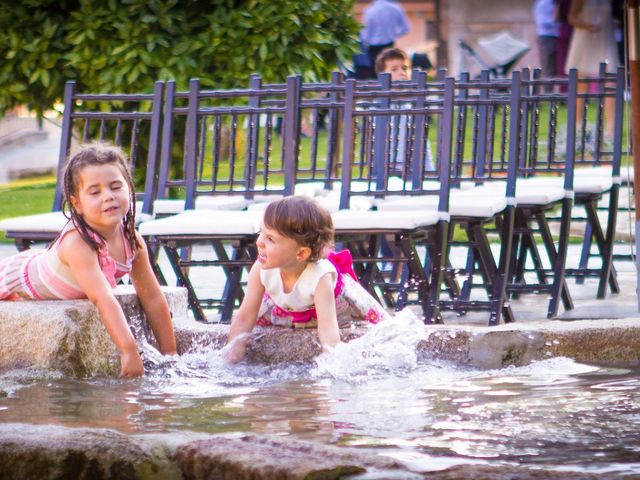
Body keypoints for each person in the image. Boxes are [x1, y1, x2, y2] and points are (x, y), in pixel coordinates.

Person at [0, 144, 177, 377]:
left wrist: (170, 355)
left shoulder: (133, 240)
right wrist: (128, 351)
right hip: (21, 276)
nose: (108, 196)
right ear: (76, 203)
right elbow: (103, 299)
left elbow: (153, 297)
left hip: (43, 263)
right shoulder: (78, 244)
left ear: (129, 188)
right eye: (95, 192)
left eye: (116, 186)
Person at [225, 196, 390, 363]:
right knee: (259, 322)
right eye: (262, 233)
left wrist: (332, 365)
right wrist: (233, 356)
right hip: (289, 306)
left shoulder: (320, 276)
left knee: (386, 331)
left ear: (301, 253)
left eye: (270, 239)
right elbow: (245, 317)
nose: (259, 242)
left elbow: (328, 329)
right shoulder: (261, 269)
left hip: (336, 307)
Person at [374, 47, 435, 174]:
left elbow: (424, 145)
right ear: (382, 75)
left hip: (415, 172)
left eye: (405, 68)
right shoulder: (377, 107)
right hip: (386, 173)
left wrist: (430, 172)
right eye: (394, 69)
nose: (402, 73)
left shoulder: (415, 105)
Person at [565, 0, 620, 138]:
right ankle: (577, 125)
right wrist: (587, 25)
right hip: (585, 38)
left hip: (605, 38)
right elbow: (571, 18)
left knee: (610, 82)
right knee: (581, 85)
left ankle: (611, 127)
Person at [360, 0, 410, 73]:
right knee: (390, 72)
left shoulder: (370, 10)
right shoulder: (396, 8)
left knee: (376, 76)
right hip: (389, 45)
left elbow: (365, 36)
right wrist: (393, 34)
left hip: (373, 48)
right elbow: (405, 28)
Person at [532, 0, 560, 91]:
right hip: (547, 37)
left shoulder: (551, 3)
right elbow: (542, 22)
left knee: (552, 68)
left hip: (553, 36)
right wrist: (556, 21)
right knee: (548, 68)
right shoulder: (544, 3)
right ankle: (548, 95)